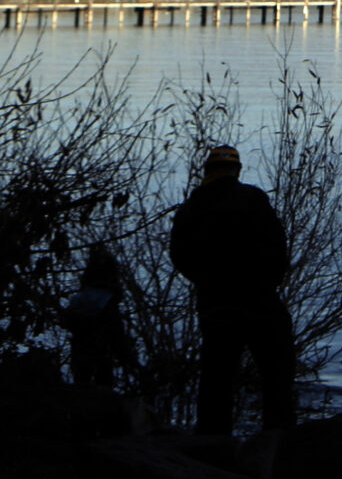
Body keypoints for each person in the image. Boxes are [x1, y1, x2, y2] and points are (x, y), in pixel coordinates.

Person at [169, 144, 295, 436]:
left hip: (217, 303)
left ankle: (213, 446)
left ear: (208, 172)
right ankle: (280, 445)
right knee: (277, 375)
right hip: (261, 300)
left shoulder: (192, 207)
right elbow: (278, 246)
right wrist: (268, 281)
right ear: (237, 171)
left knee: (217, 378)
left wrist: (205, 281)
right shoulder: (254, 199)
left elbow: (179, 254)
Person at [60, 243, 139, 391]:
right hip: (101, 361)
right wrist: (130, 362)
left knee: (82, 390)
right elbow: (117, 337)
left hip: (81, 360)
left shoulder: (79, 301)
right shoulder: (108, 304)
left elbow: (66, 321)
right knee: (101, 394)